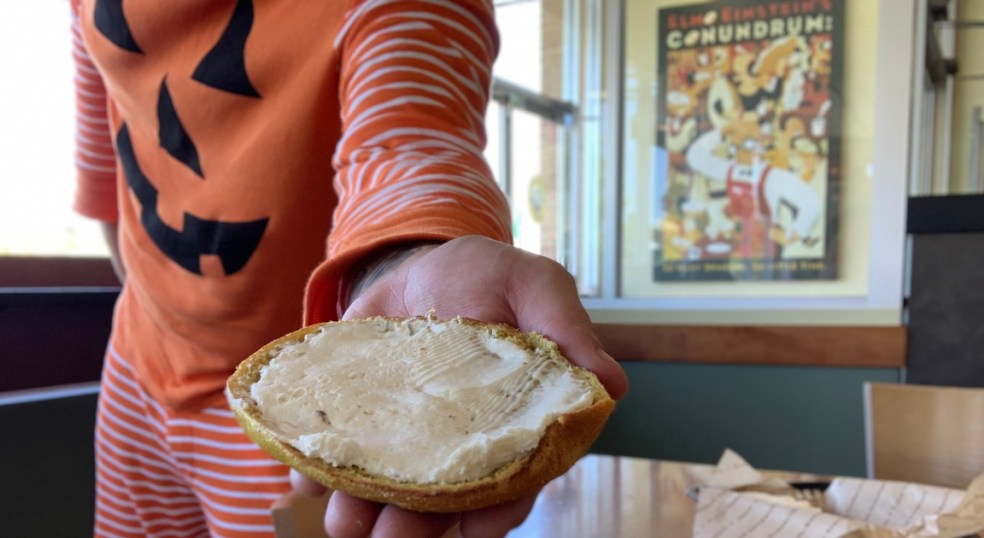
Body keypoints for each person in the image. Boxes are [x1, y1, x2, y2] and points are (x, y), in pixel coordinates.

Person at [71, 0, 629, 537]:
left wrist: (406, 251)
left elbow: (409, 134)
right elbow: (105, 175)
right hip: (133, 373)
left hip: (320, 404)